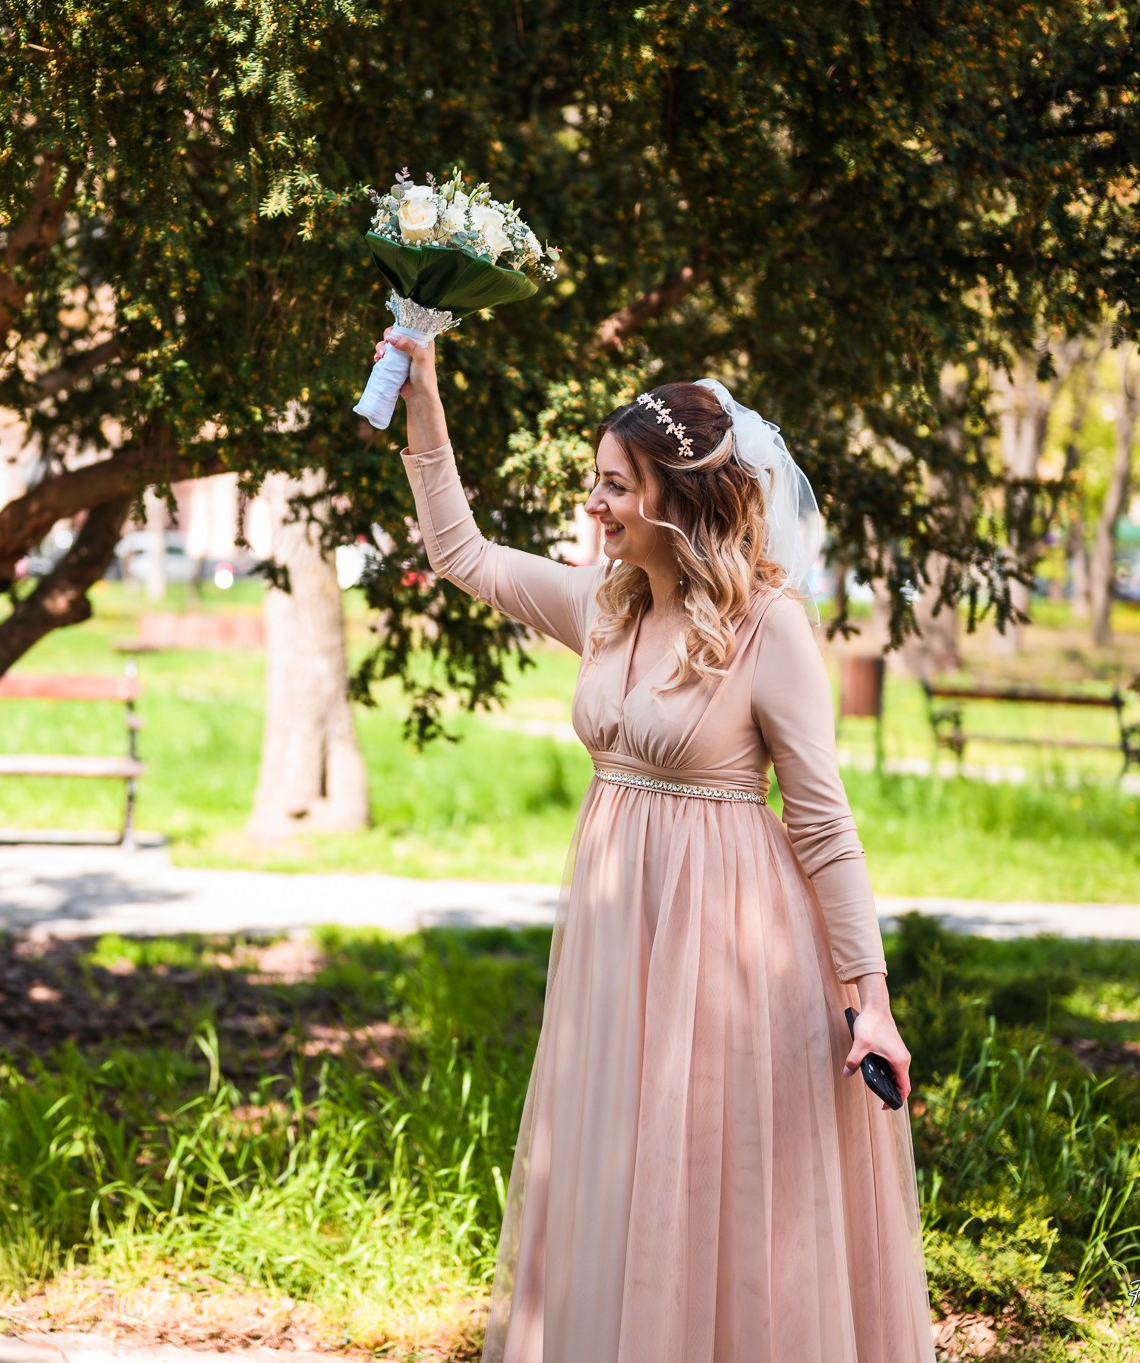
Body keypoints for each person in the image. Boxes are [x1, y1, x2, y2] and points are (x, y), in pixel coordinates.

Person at [372, 330, 937, 1362]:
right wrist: (423, 396)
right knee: (615, 1177)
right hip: (611, 940)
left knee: (707, 1190)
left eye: (613, 485)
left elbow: (822, 821)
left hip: (726, 947)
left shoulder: (768, 625)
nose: (594, 504)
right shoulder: (603, 607)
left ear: (678, 496)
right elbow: (460, 553)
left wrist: (871, 1001)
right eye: (594, 481)